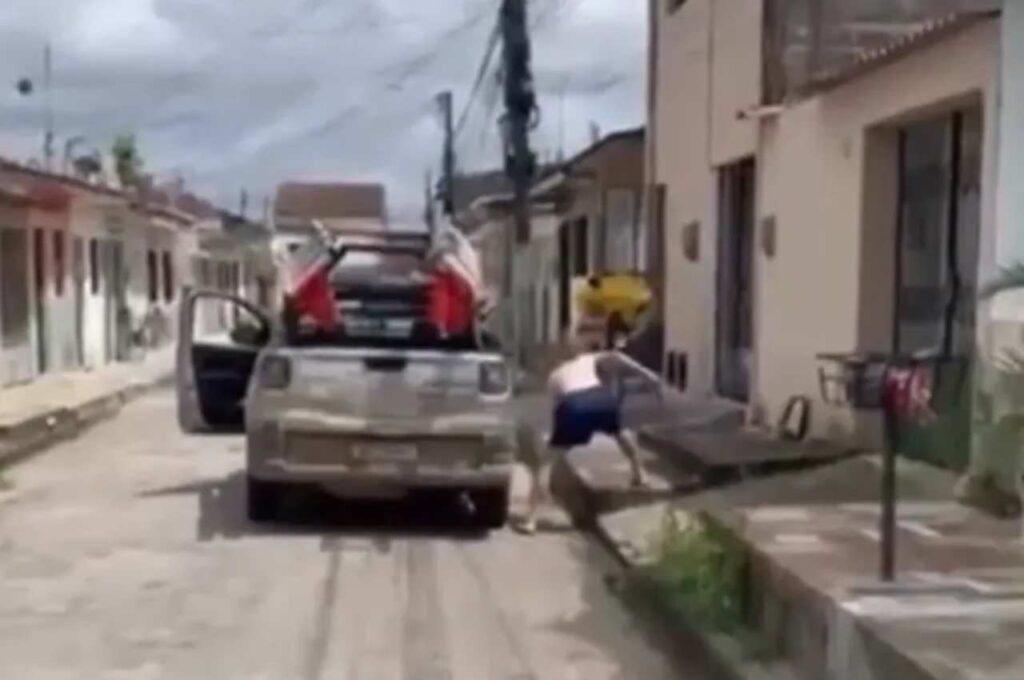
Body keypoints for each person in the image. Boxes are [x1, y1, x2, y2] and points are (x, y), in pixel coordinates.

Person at [517, 340, 647, 535]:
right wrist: (647, 375)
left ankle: (531, 520)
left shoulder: (553, 378)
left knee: (545, 463)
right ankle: (639, 473)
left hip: (574, 405)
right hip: (601, 398)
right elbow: (617, 357)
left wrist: (557, 437)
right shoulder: (586, 359)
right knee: (620, 432)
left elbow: (557, 409)